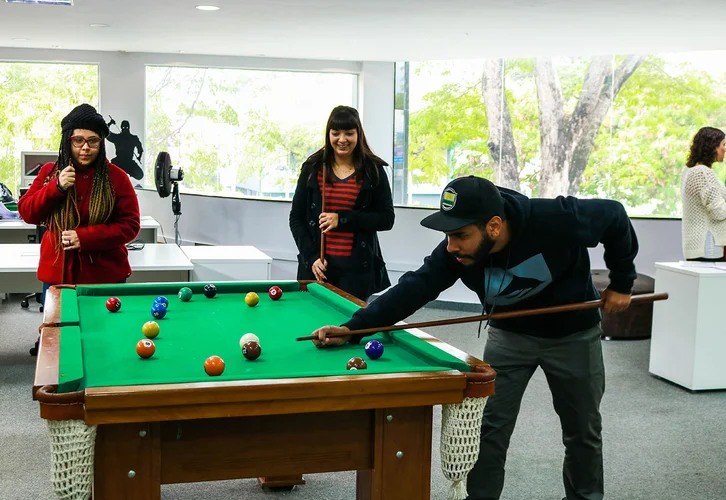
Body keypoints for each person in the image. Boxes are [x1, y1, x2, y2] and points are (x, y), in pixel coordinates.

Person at [312, 176, 639, 500]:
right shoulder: (454, 252)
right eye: (447, 235)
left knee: (582, 430)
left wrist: (622, 282)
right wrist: (355, 328)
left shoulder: (555, 218)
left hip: (574, 335)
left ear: (494, 226)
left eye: (460, 235)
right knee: (489, 430)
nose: (451, 245)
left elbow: (614, 216)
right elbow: (415, 287)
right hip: (509, 336)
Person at [18, 104, 140, 299]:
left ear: (101, 144)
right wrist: (56, 187)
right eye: (78, 140)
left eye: (93, 141)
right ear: (68, 141)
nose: (85, 147)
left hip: (105, 276)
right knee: (57, 329)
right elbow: (27, 212)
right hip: (57, 275)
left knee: (107, 329)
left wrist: (84, 237)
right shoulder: (50, 172)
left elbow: (130, 226)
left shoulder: (118, 178)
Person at [289, 105, 394, 301]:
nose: (342, 139)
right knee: (311, 326)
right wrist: (311, 257)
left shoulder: (374, 170)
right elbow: (296, 218)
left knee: (349, 328)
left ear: (358, 134)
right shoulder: (312, 168)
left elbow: (386, 219)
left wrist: (342, 219)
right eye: (336, 133)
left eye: (349, 133)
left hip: (356, 272)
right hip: (317, 268)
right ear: (328, 134)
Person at [680, 126, 726, 262]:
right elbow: (719, 212)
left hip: (698, 244)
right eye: (723, 145)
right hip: (708, 246)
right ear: (713, 147)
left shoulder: (689, 170)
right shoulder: (703, 173)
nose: (725, 149)